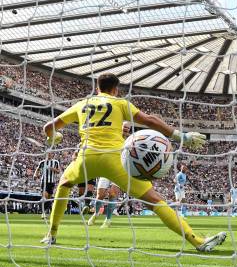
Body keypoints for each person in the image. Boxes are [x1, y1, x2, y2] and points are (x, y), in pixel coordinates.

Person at [40, 73, 226, 251]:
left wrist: (54, 137)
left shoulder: (82, 104)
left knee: (63, 186)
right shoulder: (119, 103)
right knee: (155, 200)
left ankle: (51, 234)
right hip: (116, 159)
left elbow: (48, 127)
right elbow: (149, 120)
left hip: (86, 158)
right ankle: (197, 241)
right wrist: (180, 136)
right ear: (115, 90)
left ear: (97, 88)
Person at [33, 152, 60, 219]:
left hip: (52, 182)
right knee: (45, 197)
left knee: (48, 199)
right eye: (48, 154)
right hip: (44, 182)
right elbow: (37, 169)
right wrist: (35, 174)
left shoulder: (56, 162)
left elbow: (58, 171)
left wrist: (52, 169)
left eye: (50, 154)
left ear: (52, 154)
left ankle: (44, 210)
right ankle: (43, 213)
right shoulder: (42, 162)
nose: (49, 155)